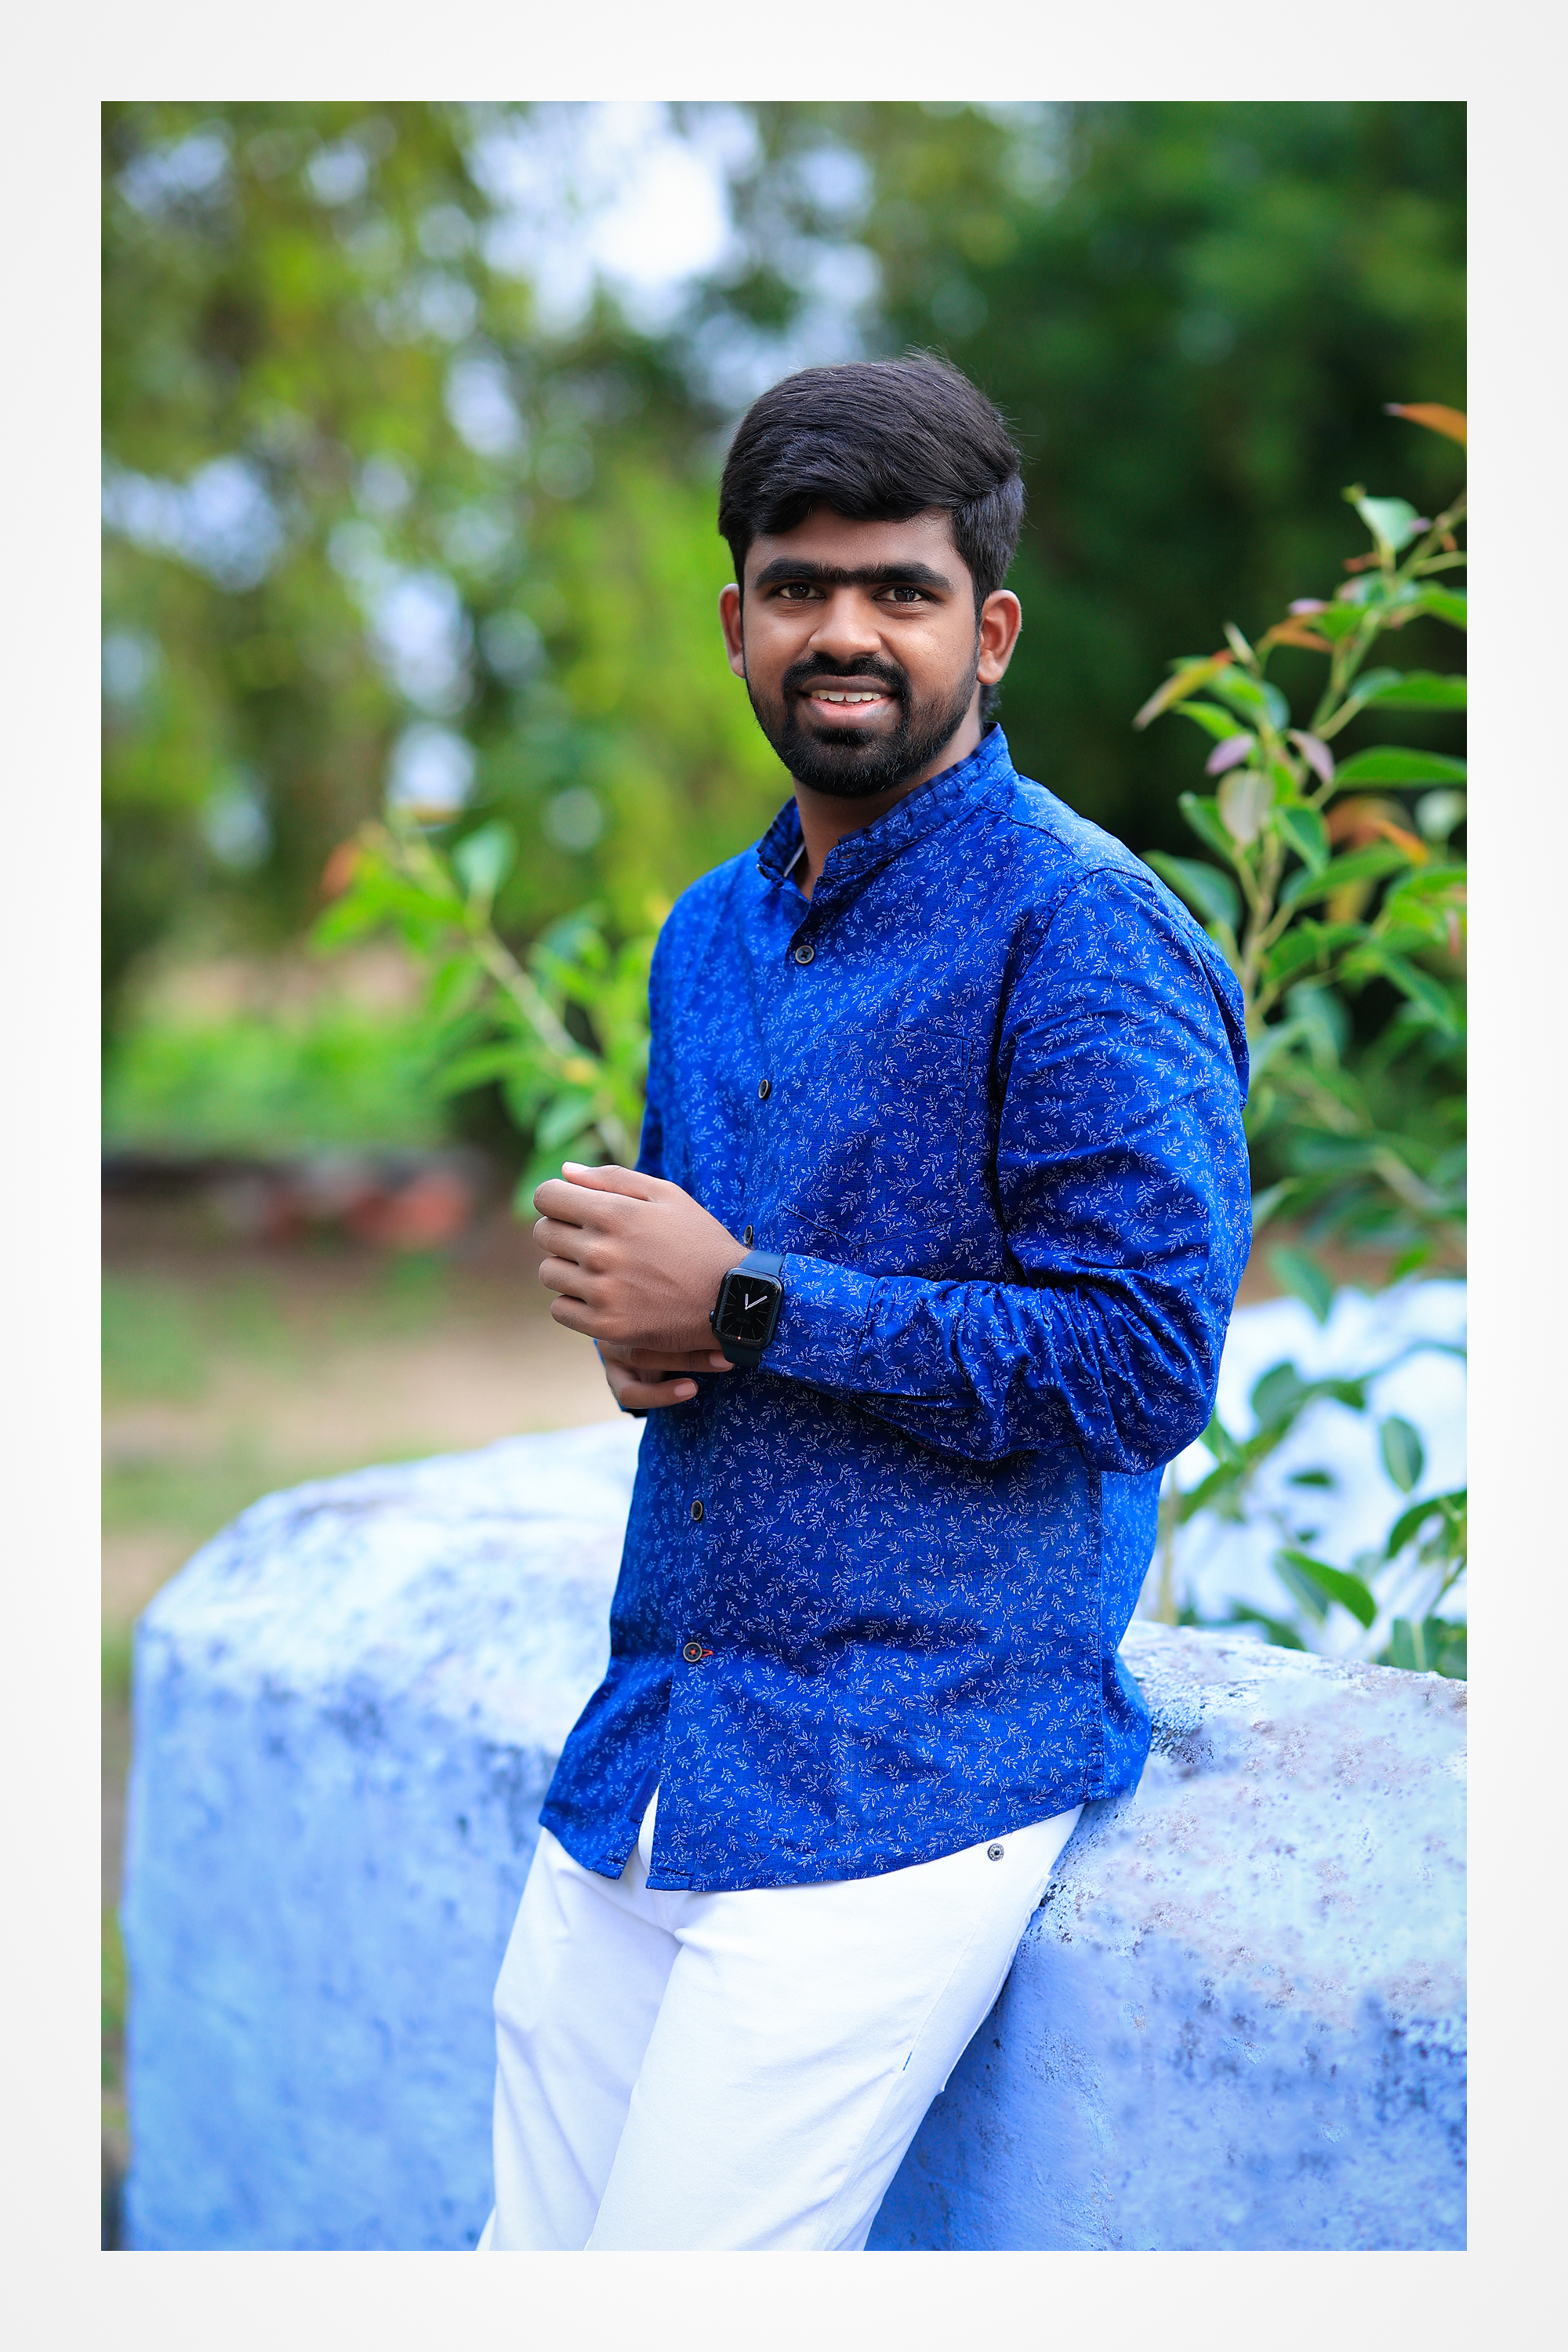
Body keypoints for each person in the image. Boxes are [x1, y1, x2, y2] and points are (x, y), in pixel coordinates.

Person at [476, 355, 1250, 2253]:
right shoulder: (706, 935)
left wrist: (745, 1305)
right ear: (734, 619)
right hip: (657, 1745)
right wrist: (653, 1333)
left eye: (899, 588)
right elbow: (718, 1291)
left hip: (906, 1777)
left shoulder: (1081, 929)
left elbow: (1144, 1361)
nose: (843, 630)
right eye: (799, 585)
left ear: (987, 631)